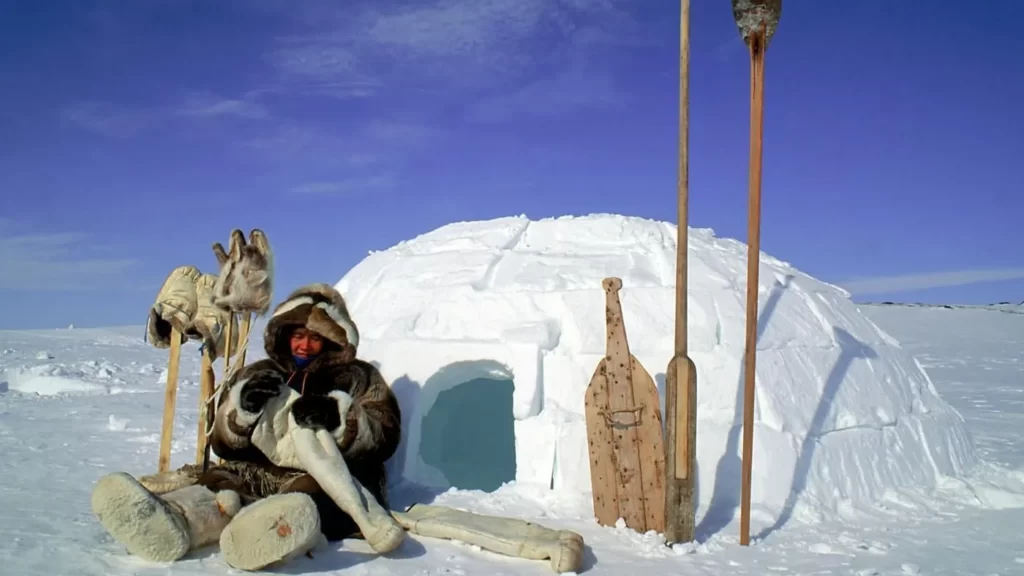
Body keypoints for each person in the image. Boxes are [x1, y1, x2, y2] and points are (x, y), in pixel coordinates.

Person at [90, 283, 403, 570]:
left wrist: (338, 418)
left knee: (311, 501)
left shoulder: (359, 378)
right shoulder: (261, 373)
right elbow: (221, 443)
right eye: (298, 336)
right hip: (259, 473)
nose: (305, 345)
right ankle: (170, 523)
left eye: (315, 337)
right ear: (284, 335)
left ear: (333, 339)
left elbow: (385, 432)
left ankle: (265, 536)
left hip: (325, 476)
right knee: (220, 486)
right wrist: (243, 411)